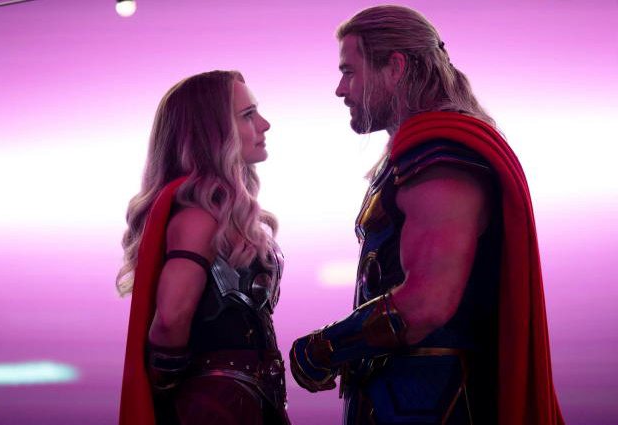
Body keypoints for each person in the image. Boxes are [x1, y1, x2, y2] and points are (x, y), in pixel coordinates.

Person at [290, 6, 564, 425]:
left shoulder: (439, 158)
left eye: (350, 72)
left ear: (395, 67)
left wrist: (323, 348)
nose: (341, 89)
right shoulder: (420, 156)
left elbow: (425, 305)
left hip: (434, 404)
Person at [117, 70, 290, 425]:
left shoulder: (217, 214)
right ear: (213, 133)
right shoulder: (198, 218)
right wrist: (169, 391)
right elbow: (170, 319)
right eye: (248, 115)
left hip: (247, 403)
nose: (264, 124)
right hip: (215, 408)